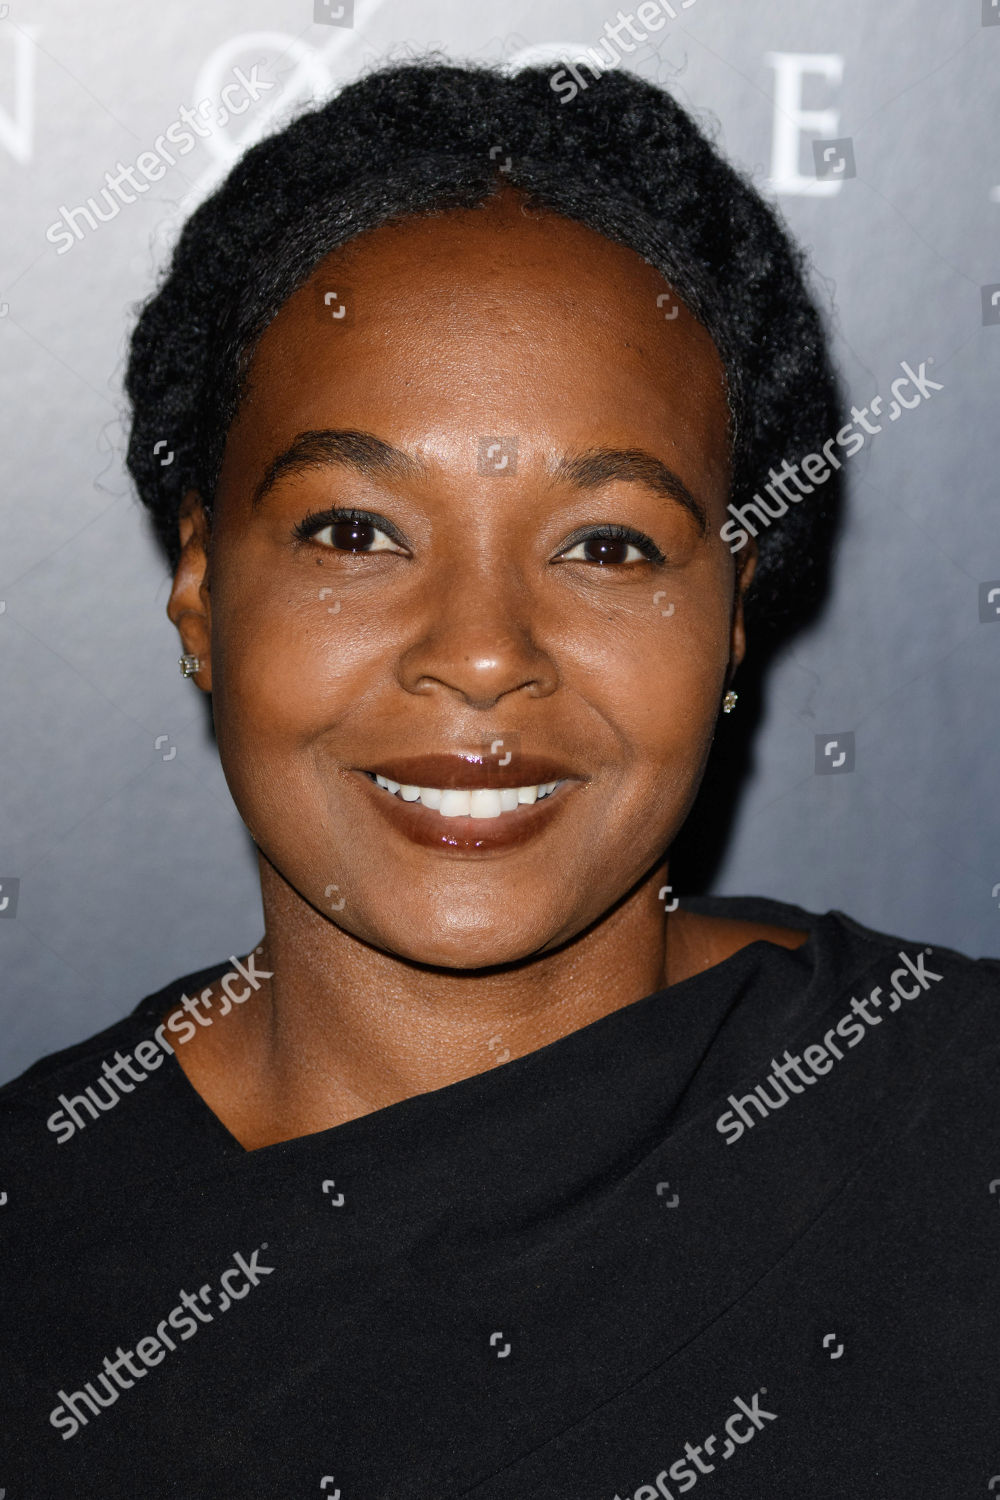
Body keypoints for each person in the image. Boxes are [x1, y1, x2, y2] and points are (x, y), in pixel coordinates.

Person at [2, 58, 997, 1499]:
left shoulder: (951, 1127)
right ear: (203, 593)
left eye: (608, 544)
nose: (481, 654)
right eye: (356, 532)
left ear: (732, 611)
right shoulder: (40, 1253)